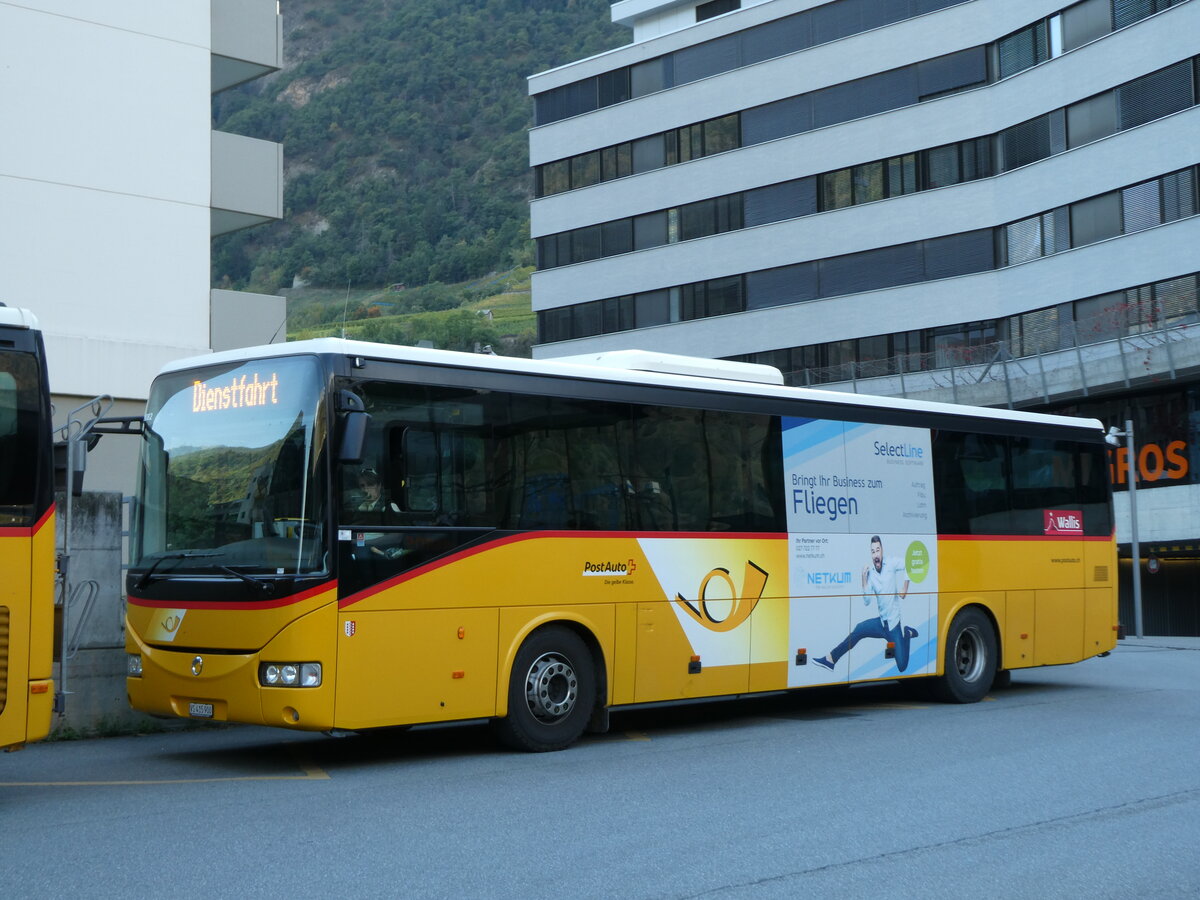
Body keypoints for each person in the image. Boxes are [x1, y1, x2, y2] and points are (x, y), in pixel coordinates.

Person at [813, 535, 919, 673]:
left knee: (902, 666)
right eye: (873, 551)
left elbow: (909, 563)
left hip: (894, 625)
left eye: (878, 550)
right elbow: (867, 601)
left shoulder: (891, 563)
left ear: (882, 550)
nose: (876, 555)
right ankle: (831, 659)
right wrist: (863, 578)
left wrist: (905, 587)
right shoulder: (871, 574)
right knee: (859, 629)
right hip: (881, 624)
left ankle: (908, 634)